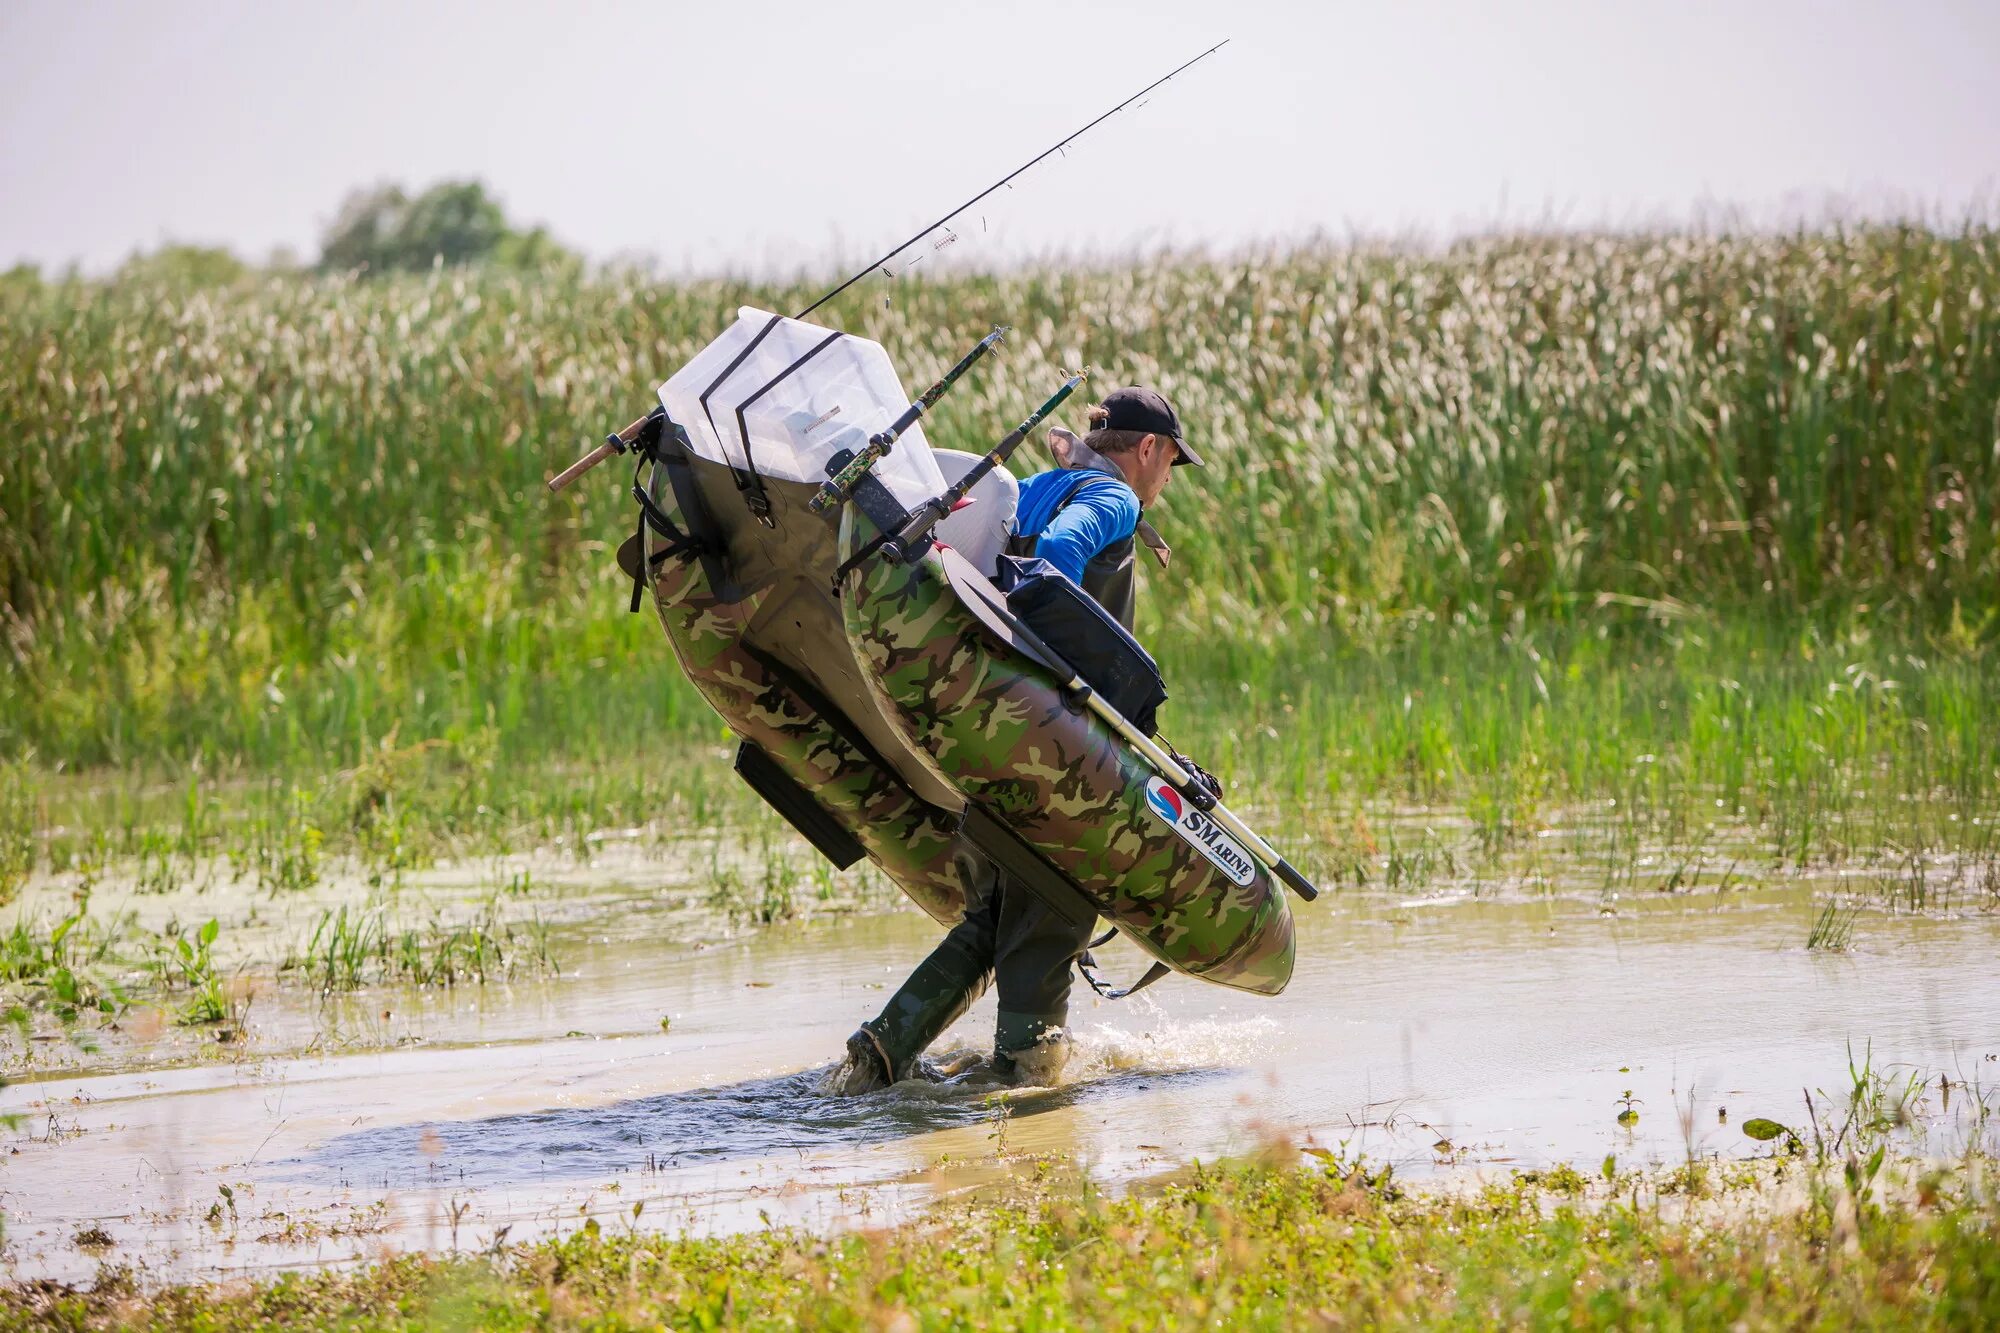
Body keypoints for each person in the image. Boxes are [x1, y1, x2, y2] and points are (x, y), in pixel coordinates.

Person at [835, 387, 1204, 1092]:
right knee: (1057, 906)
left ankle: (874, 1059)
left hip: (986, 726)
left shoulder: (1035, 487)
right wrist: (1053, 663)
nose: (1163, 481)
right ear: (1150, 449)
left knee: (996, 919)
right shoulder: (1115, 496)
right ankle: (1024, 1082)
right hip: (1047, 748)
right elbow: (1061, 555)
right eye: (1169, 464)